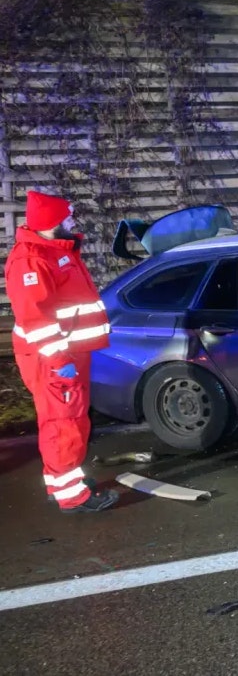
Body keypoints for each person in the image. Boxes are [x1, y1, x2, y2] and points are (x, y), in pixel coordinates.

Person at [5, 190, 117, 512]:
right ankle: (72, 496)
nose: (72, 221)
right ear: (52, 223)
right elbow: (36, 317)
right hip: (55, 357)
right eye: (66, 218)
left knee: (69, 420)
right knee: (63, 423)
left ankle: (62, 482)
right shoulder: (32, 259)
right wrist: (58, 359)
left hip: (67, 353)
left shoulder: (54, 250)